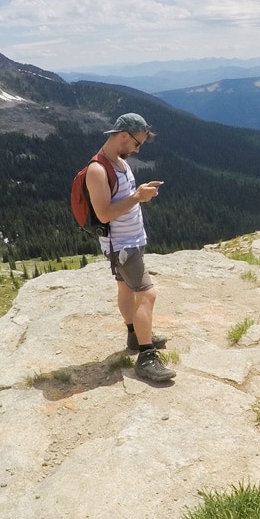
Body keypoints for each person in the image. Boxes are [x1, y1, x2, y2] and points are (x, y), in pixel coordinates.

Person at [86, 112, 174, 383]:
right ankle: (146, 357)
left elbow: (123, 200)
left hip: (131, 241)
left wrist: (139, 193)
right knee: (147, 294)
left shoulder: (120, 163)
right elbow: (102, 214)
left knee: (126, 288)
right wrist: (138, 197)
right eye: (137, 143)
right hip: (122, 245)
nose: (138, 149)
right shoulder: (98, 169)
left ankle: (135, 336)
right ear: (124, 136)